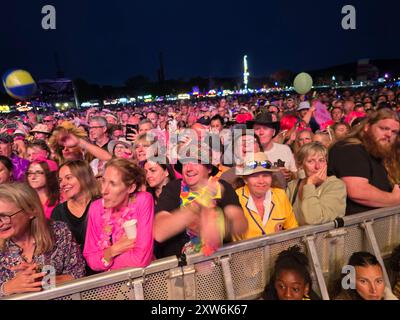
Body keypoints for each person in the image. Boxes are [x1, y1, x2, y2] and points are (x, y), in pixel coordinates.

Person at [153, 144, 247, 259]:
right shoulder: (173, 188)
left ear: (209, 168)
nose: (189, 168)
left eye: (196, 162)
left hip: (216, 264)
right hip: (180, 268)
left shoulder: (221, 187)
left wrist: (220, 227)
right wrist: (201, 203)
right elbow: (159, 232)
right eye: (185, 163)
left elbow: (241, 224)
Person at [0, 183, 85, 297]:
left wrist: (43, 280)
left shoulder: (59, 232)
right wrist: (7, 288)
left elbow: (78, 276)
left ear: (30, 211)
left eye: (4, 216)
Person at [83, 158, 154, 271]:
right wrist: (112, 251)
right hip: (111, 286)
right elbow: (91, 258)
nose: (104, 191)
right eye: (103, 181)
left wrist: (106, 260)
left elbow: (142, 258)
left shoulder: (143, 200)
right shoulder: (95, 208)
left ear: (131, 188)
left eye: (113, 184)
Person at [328, 108, 400, 214]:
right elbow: (357, 191)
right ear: (367, 127)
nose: (389, 134)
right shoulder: (349, 148)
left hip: (377, 225)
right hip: (354, 227)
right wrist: (393, 199)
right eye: (384, 128)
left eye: (394, 132)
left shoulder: (381, 152)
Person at [235, 152, 298, 240]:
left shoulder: (280, 195)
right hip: (244, 253)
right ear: (245, 179)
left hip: (279, 251)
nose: (261, 181)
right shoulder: (235, 197)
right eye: (255, 176)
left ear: (271, 177)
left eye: (265, 175)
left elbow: (293, 228)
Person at [286, 142, 346, 225]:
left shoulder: (336, 186)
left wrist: (310, 184)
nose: (317, 166)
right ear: (300, 165)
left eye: (321, 160)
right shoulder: (293, 186)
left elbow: (314, 219)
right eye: (311, 161)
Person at [51, 160, 100, 251]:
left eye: (68, 178)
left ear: (84, 178)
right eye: (60, 180)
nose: (63, 184)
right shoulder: (58, 212)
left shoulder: (100, 204)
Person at [247, 113, 297, 183]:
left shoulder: (285, 150)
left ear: (273, 132)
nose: (261, 132)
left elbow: (295, 174)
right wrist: (277, 174)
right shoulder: (246, 151)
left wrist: (289, 174)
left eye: (265, 128)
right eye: (257, 129)